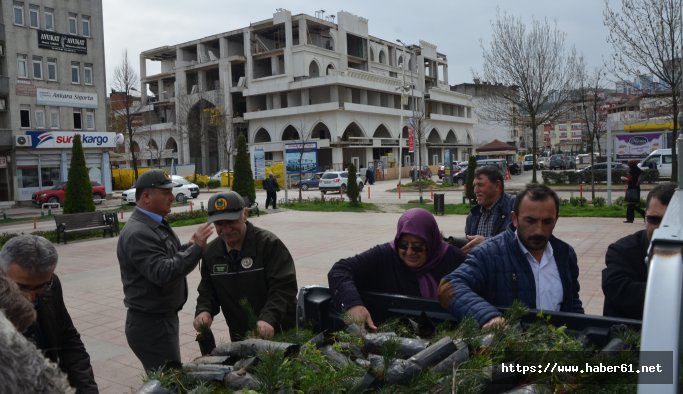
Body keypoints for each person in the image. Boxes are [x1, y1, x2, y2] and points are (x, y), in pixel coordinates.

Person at [439, 184, 584, 329]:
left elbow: (573, 302)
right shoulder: (490, 253)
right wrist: (489, 317)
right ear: (515, 218)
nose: (539, 230)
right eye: (530, 221)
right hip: (511, 347)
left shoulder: (565, 254)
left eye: (547, 222)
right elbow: (449, 286)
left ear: (556, 220)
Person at [117, 170, 213, 372]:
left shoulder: (152, 224)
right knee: (169, 382)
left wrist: (190, 246)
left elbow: (167, 257)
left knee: (169, 378)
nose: (171, 197)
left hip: (160, 320)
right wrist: (196, 250)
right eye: (165, 192)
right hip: (151, 325)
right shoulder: (139, 232)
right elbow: (162, 272)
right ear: (146, 197)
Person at [328, 208, 467, 331]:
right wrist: (352, 304)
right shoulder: (386, 255)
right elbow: (340, 270)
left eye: (417, 246)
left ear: (431, 242)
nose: (409, 252)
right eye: (403, 245)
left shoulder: (454, 259)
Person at [194, 191, 298, 341]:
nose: (226, 230)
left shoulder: (269, 244)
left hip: (279, 331)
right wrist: (204, 311)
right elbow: (207, 290)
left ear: (245, 214)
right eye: (219, 224)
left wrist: (268, 318)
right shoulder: (211, 252)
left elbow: (283, 288)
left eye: (231, 222)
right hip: (240, 335)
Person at [0, 234, 98, 393]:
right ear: (2, 272)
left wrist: (87, 389)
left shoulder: (52, 284)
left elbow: (68, 340)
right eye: (21, 286)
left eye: (40, 286)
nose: (31, 297)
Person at [602, 183, 676, 320]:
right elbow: (619, 290)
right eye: (654, 220)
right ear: (645, 217)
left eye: (669, 221)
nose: (661, 228)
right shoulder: (622, 250)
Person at [462, 165, 515, 253]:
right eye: (474, 185)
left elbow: (520, 243)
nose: (475, 190)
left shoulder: (515, 207)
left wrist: (486, 243)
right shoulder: (472, 216)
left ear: (497, 185)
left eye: (480, 185)